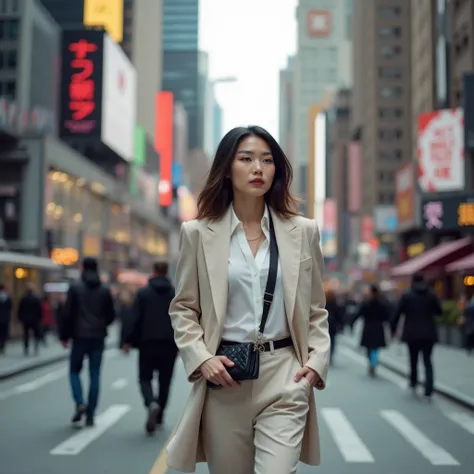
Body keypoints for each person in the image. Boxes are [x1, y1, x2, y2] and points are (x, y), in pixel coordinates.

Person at [166, 125, 330, 474]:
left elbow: (316, 308)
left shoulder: (304, 231)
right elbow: (183, 309)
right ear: (228, 168)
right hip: (226, 379)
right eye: (247, 159)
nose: (258, 168)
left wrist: (317, 360)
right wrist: (201, 358)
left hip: (285, 375)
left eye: (267, 160)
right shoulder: (197, 234)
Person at [59, 257, 116, 426]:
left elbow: (68, 314)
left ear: (83, 267)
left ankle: (79, 402)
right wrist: (101, 324)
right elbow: (111, 315)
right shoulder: (105, 289)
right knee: (95, 373)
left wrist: (64, 336)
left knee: (74, 371)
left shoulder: (75, 288)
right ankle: (91, 413)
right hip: (98, 336)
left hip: (79, 336)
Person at [123, 262, 178, 434]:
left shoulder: (143, 293)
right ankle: (160, 414)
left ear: (153, 272)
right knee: (165, 381)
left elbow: (134, 318)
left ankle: (150, 403)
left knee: (145, 378)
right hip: (170, 343)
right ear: (167, 271)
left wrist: (127, 340)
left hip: (147, 343)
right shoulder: (175, 293)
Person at [391, 273, 443, 400]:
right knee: (427, 360)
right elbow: (439, 311)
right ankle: (429, 387)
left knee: (413, 359)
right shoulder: (431, 294)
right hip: (428, 333)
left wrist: (393, 329)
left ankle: (413, 382)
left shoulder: (407, 295)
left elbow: (398, 313)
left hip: (412, 332)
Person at [352, 284, 392, 377]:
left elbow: (359, 314)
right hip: (378, 328)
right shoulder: (382, 304)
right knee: (375, 348)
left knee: (369, 348)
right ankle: (373, 363)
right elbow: (387, 317)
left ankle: (372, 362)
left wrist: (351, 322)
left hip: (368, 328)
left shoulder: (366, 303)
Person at [18, 282, 42, 356]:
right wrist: (39, 318)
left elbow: (20, 309)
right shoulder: (36, 298)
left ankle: (26, 348)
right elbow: (39, 309)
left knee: (26, 334)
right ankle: (35, 347)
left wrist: (20, 318)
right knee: (35, 334)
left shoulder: (24, 298)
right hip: (34, 319)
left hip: (26, 319)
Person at [326, 289, 344, 364]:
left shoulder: (323, 304)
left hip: (325, 326)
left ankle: (326, 355)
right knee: (332, 341)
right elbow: (339, 316)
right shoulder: (336, 305)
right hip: (332, 327)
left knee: (325, 341)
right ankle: (331, 355)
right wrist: (341, 326)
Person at [0, 283, 12, 355]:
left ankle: (2, 346)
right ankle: (2, 345)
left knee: (3, 333)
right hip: (5, 318)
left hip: (5, 318)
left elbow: (10, 307)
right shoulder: (8, 297)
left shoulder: (8, 298)